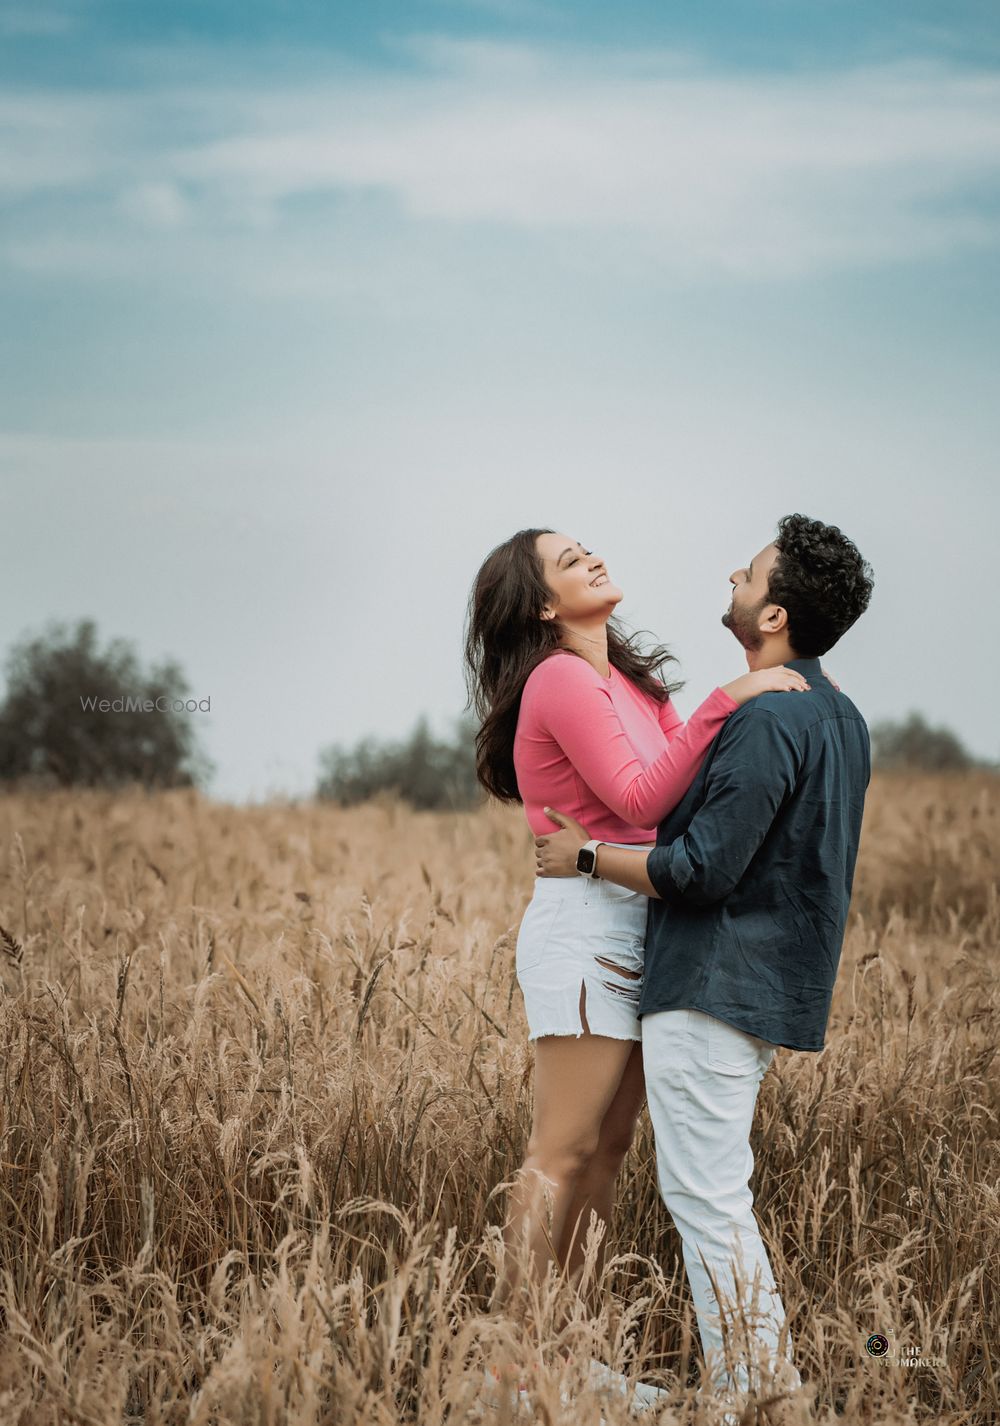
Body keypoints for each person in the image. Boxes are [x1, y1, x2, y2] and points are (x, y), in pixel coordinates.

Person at [535, 514, 874, 1425]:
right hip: (773, 987)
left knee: (707, 1198)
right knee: (716, 1191)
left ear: (774, 615)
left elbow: (702, 869)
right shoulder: (840, 715)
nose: (735, 572)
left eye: (752, 571)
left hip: (714, 987)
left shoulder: (767, 717)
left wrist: (585, 859)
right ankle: (759, 1392)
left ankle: (761, 1399)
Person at [463, 527, 810, 1411]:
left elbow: (677, 793)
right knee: (561, 1149)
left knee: (609, 1150)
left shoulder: (631, 679)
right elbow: (640, 796)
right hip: (584, 927)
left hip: (641, 916)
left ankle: (567, 1357)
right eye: (568, 560)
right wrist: (736, 694)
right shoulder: (559, 677)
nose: (592, 559)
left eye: (588, 548)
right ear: (543, 604)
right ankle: (509, 1368)